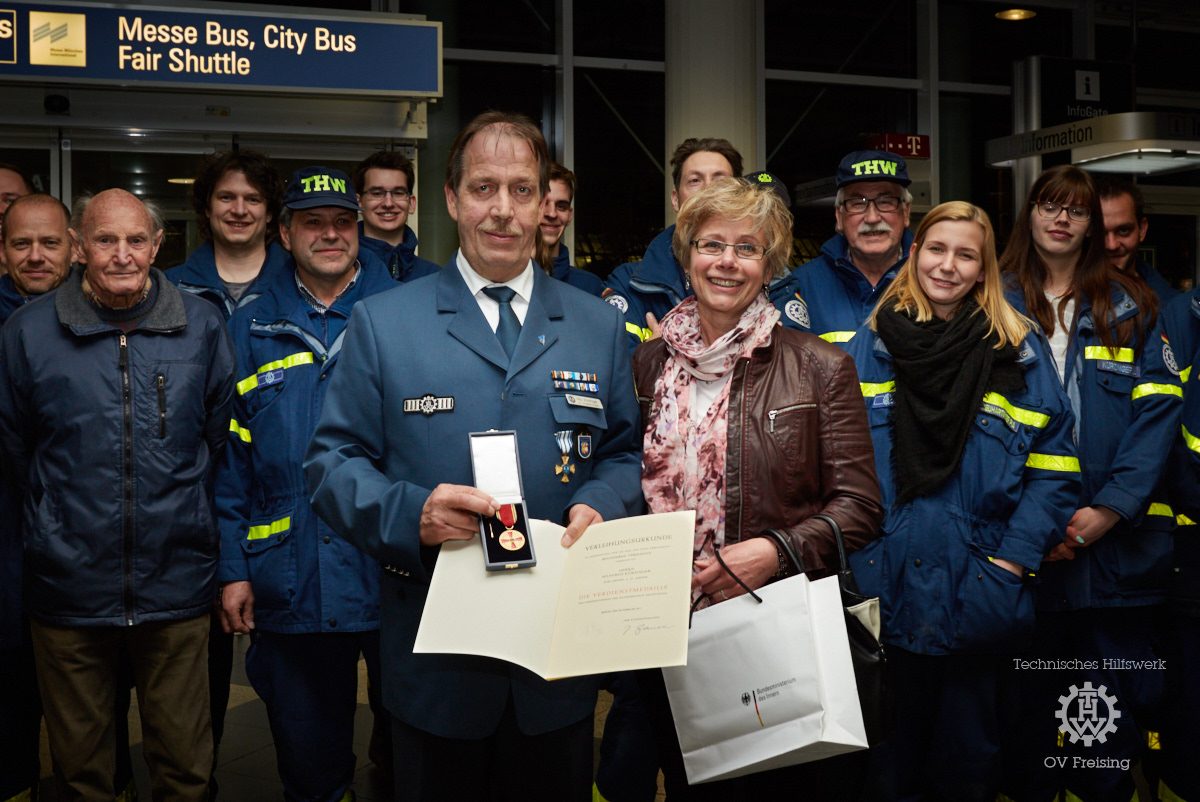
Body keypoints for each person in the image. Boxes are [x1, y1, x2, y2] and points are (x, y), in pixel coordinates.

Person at [304, 111, 642, 802]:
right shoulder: (386, 322)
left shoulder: (596, 325)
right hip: (437, 660)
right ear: (453, 199)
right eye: (484, 188)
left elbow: (626, 453)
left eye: (522, 190)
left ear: (545, 203)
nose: (503, 210)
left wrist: (601, 502)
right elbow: (331, 463)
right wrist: (411, 511)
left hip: (557, 661)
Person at [632, 176, 883, 799]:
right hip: (669, 630)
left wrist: (772, 550)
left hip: (773, 624)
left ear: (769, 265)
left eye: (747, 248)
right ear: (686, 256)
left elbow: (861, 508)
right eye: (711, 244)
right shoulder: (646, 364)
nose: (726, 261)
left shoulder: (820, 366)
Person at [0, 188, 235, 801]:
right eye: (105, 240)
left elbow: (216, 441)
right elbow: (19, 450)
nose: (122, 255)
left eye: (137, 240)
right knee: (82, 776)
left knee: (186, 770)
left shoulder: (202, 324)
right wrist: (58, 519)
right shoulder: (27, 333)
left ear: (158, 245)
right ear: (80, 248)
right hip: (68, 588)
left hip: (177, 584)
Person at [846, 201, 1080, 801]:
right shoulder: (868, 346)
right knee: (881, 771)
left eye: (966, 254)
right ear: (914, 252)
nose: (947, 266)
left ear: (984, 269)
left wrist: (1010, 563)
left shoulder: (1021, 353)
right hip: (881, 593)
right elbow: (834, 469)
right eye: (936, 249)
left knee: (966, 769)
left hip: (977, 596)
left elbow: (1055, 472)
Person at [1001, 165, 1182, 802]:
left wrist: (1110, 509)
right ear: (1030, 214)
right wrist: (1028, 528)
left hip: (1115, 561)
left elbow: (1158, 415)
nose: (1061, 219)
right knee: (1029, 721)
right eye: (1049, 205)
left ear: (1089, 226)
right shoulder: (993, 300)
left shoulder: (1131, 304)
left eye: (1075, 211)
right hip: (1024, 554)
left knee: (1110, 720)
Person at [216, 166, 394, 802]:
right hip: (289, 575)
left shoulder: (399, 315)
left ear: (361, 230)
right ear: (284, 233)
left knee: (409, 744)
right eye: (312, 222)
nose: (330, 234)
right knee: (308, 755)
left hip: (392, 569)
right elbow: (231, 463)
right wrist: (233, 568)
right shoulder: (248, 329)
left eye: (342, 222)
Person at [0, 191, 73, 802]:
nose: (35, 256)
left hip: (79, 541)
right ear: (3, 252)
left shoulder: (105, 314)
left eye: (49, 243)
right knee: (12, 677)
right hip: (11, 530)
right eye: (21, 244)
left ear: (73, 249)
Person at [604, 137, 743, 349]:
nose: (708, 190)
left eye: (720, 180)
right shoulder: (629, 284)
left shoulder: (765, 278)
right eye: (695, 181)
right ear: (675, 199)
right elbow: (611, 364)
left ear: (739, 198)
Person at [772, 149, 914, 347]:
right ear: (839, 217)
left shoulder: (931, 280)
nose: (872, 218)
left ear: (906, 212)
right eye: (857, 203)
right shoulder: (801, 286)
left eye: (886, 201)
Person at [169, 149, 290, 318]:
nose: (239, 210)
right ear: (207, 208)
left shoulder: (299, 283)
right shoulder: (170, 288)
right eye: (226, 197)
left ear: (269, 212)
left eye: (252, 199)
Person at [352, 149, 440, 282]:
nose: (388, 203)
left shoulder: (434, 277)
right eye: (377, 193)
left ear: (411, 203)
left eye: (398, 193)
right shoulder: (343, 271)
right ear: (359, 202)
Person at [1096, 175, 1176, 303]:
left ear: (1142, 230)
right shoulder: (1065, 295)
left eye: (1123, 231)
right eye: (1100, 232)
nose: (1111, 245)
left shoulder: (1169, 307)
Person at [535, 161, 603, 295]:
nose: (552, 214)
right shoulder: (502, 281)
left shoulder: (589, 287)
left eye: (561, 206)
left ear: (570, 215)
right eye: (542, 204)